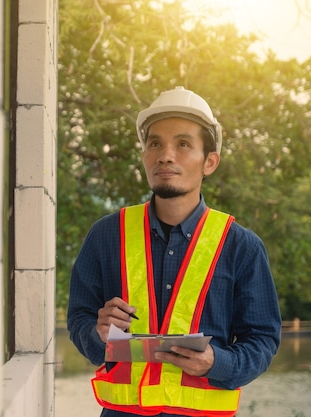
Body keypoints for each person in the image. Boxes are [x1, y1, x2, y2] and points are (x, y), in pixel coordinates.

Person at [66, 86, 281, 417]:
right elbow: (79, 319)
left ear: (209, 162)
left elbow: (263, 341)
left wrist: (216, 362)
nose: (165, 155)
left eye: (183, 144)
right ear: (144, 157)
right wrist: (97, 333)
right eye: (155, 144)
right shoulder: (106, 235)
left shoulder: (241, 246)